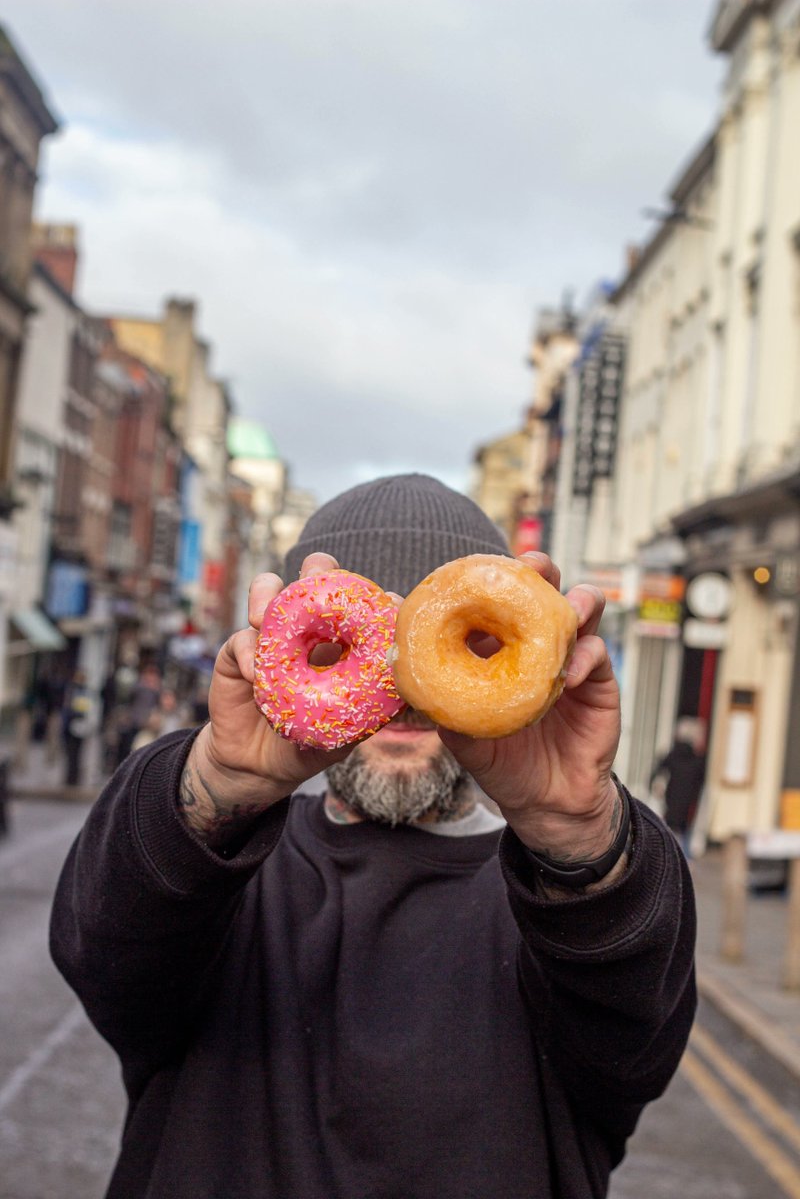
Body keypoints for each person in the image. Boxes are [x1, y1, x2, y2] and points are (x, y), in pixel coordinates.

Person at [50, 473, 696, 1199]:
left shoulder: (560, 903)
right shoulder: (217, 870)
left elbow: (636, 1042)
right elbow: (102, 944)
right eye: (362, 645)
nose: (402, 686)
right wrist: (219, 783)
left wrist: (577, 831)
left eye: (451, 643)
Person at [651, 717, 707, 857]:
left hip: (669, 802)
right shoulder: (698, 761)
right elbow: (700, 787)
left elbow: (655, 776)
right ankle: (685, 863)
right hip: (688, 806)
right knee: (685, 836)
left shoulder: (671, 756)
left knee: (666, 835)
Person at [60, 669, 97, 787]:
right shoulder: (80, 690)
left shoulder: (75, 690)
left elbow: (73, 708)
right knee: (75, 753)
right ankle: (72, 777)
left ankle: (71, 778)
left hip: (75, 724)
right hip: (77, 724)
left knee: (73, 753)